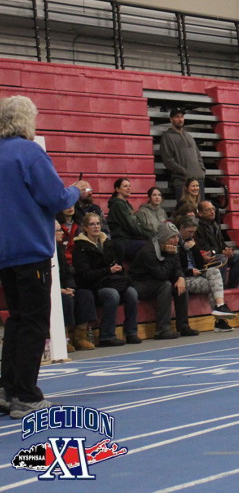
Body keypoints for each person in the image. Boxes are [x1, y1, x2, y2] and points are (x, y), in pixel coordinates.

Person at [0, 96, 90, 419]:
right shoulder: (29, 153)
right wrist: (77, 190)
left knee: (16, 319)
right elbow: (56, 198)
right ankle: (26, 394)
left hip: (5, 252)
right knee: (35, 323)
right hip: (30, 249)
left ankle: (7, 388)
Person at [73, 211, 140, 347]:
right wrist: (108, 270)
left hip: (112, 281)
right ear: (85, 228)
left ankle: (131, 332)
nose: (96, 227)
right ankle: (107, 335)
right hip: (93, 286)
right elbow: (84, 274)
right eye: (92, 224)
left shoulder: (107, 243)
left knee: (132, 293)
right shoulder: (80, 247)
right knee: (112, 294)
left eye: (98, 223)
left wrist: (118, 269)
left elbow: (115, 264)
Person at [130, 222, 199, 340]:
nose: (177, 240)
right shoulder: (148, 252)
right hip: (139, 283)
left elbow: (177, 268)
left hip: (156, 280)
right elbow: (161, 275)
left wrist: (181, 278)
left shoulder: (172, 248)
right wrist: (170, 256)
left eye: (177, 236)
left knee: (181, 285)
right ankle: (162, 329)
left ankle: (183, 326)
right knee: (166, 285)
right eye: (173, 237)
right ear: (164, 239)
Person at [175, 217, 237, 332]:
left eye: (193, 232)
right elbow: (175, 267)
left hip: (197, 273)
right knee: (215, 286)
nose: (192, 234)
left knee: (214, 271)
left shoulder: (191, 241)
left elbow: (200, 264)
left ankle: (220, 306)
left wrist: (194, 248)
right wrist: (189, 272)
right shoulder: (174, 242)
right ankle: (220, 321)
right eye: (189, 231)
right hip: (184, 277)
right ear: (181, 229)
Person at [55, 222, 96, 353]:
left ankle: (80, 337)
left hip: (64, 288)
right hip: (49, 290)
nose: (62, 233)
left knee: (85, 295)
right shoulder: (44, 252)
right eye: (58, 230)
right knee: (65, 299)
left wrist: (70, 288)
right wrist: (58, 290)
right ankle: (64, 338)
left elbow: (67, 273)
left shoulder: (59, 249)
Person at [194, 200, 239, 289]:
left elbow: (222, 244)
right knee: (222, 258)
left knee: (238, 258)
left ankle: (232, 287)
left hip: (218, 254)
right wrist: (222, 252)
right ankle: (220, 287)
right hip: (206, 257)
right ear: (200, 213)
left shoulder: (215, 225)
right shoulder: (197, 227)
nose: (212, 212)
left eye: (213, 209)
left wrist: (228, 249)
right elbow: (203, 247)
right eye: (208, 210)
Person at [159, 108, 205, 202]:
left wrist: (201, 170)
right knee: (185, 209)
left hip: (198, 181)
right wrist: (184, 172)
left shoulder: (189, 136)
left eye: (182, 117)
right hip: (182, 181)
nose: (180, 119)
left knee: (200, 209)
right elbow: (168, 160)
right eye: (177, 117)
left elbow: (198, 155)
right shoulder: (167, 137)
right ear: (171, 119)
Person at [107, 177, 150, 261]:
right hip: (122, 241)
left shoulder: (126, 204)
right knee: (150, 246)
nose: (129, 188)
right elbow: (131, 226)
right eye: (125, 186)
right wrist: (150, 236)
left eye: (129, 186)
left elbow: (137, 223)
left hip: (130, 239)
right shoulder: (118, 205)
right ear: (117, 189)